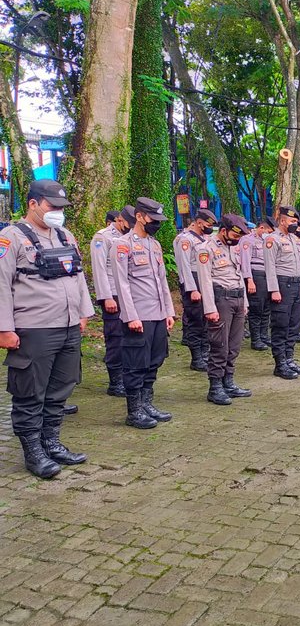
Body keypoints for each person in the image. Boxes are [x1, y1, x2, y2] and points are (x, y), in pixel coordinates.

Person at [0, 179, 95, 478]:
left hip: (67, 326)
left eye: (61, 208)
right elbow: (1, 285)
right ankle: (33, 452)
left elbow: (78, 276)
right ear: (33, 203)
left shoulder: (65, 235)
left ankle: (51, 442)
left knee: (60, 390)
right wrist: (4, 328)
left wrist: (83, 312)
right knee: (30, 393)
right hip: (33, 328)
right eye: (52, 206)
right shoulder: (10, 238)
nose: (58, 212)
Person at [112, 197, 177, 427]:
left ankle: (147, 402)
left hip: (157, 314)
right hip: (138, 316)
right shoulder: (122, 245)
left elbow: (162, 281)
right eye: (153, 218)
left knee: (154, 360)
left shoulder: (154, 245)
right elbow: (122, 284)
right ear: (139, 217)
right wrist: (131, 316)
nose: (157, 223)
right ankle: (134, 411)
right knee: (135, 363)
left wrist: (168, 311)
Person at [197, 214, 253, 405]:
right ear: (223, 231)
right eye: (235, 235)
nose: (237, 240)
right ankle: (215, 387)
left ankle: (228, 381)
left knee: (234, 345)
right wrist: (209, 309)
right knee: (219, 345)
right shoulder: (206, 249)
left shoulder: (234, 248)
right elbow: (204, 281)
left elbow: (239, 275)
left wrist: (244, 302)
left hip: (237, 298)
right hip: (220, 300)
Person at [90, 206, 134, 398]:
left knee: (130, 337)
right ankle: (115, 380)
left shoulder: (131, 237)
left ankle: (127, 374)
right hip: (112, 294)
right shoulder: (103, 237)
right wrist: (106, 297)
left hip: (129, 294)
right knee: (115, 337)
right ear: (119, 220)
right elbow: (99, 269)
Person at [263, 206, 300, 380]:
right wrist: (274, 289)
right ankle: (280, 363)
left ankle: (289, 359)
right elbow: (270, 267)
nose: (295, 224)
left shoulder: (294, 239)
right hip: (282, 285)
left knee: (294, 324)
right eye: (292, 221)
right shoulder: (272, 239)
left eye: (296, 221)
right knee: (281, 324)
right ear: (282, 221)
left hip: (296, 284)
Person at [173, 209, 218, 371]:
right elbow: (184, 266)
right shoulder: (185, 240)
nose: (210, 228)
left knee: (207, 320)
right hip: (193, 281)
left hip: (205, 280)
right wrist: (192, 289)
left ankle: (205, 354)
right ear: (199, 223)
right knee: (195, 321)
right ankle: (196, 357)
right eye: (208, 224)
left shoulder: (207, 239)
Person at [239, 216, 274, 351]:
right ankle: (256, 339)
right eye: (269, 231)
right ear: (261, 228)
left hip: (267, 277)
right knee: (256, 309)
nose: (270, 234)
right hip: (255, 276)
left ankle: (264, 336)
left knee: (266, 309)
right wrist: (249, 280)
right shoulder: (247, 240)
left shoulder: (267, 241)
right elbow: (245, 262)